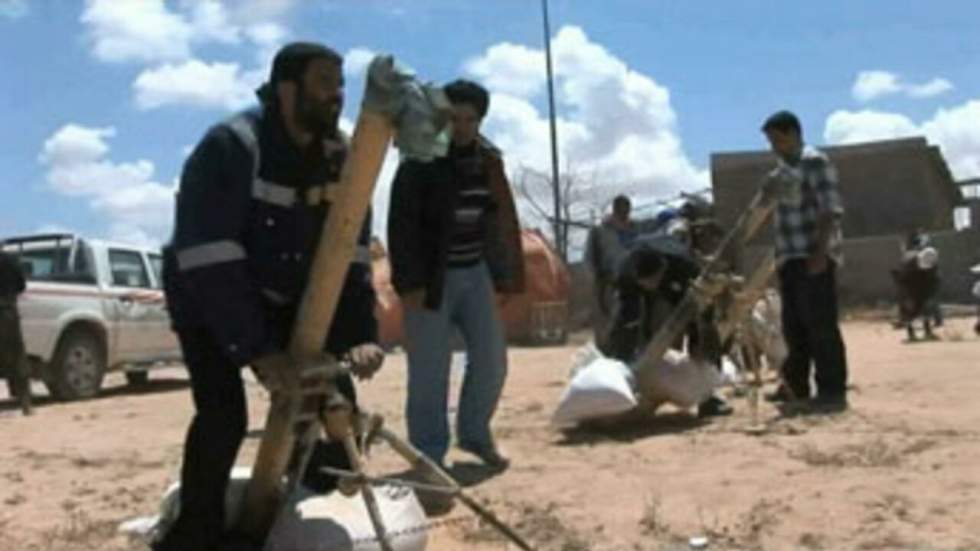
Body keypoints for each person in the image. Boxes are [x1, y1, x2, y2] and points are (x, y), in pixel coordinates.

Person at [157, 42, 385, 551]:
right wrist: (258, 351)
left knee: (334, 404)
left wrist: (360, 337)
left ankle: (303, 493)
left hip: (282, 295)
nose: (338, 96)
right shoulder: (231, 146)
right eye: (326, 83)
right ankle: (195, 536)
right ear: (287, 89)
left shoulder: (341, 158)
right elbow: (210, 257)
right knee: (223, 415)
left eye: (341, 85)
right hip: (207, 297)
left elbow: (348, 254)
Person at [387, 79, 525, 471]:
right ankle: (429, 453)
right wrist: (408, 284)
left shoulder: (488, 161)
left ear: (480, 121)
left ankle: (475, 435)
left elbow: (500, 221)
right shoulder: (420, 160)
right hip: (430, 276)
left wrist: (503, 278)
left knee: (491, 360)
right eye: (454, 118)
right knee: (430, 369)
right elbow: (402, 224)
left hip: (474, 271)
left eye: (469, 119)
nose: (461, 126)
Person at [761, 110, 848, 413]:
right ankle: (794, 387)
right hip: (789, 257)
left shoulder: (814, 162)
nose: (773, 146)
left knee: (820, 325)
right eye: (770, 141)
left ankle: (832, 391)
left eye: (777, 139)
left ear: (794, 134)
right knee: (793, 327)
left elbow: (829, 210)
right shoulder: (781, 170)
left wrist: (820, 253)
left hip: (812, 255)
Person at [605, 234, 733, 417]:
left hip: (679, 286)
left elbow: (704, 309)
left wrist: (700, 340)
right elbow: (625, 322)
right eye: (646, 283)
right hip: (638, 286)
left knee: (703, 331)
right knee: (627, 327)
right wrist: (622, 361)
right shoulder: (625, 274)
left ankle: (709, 397)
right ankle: (624, 391)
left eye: (653, 281)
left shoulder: (684, 267)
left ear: (663, 269)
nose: (651, 287)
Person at [584, 195, 638, 349]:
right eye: (621, 210)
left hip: (634, 283)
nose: (624, 213)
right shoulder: (599, 230)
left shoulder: (635, 229)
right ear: (614, 210)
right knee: (609, 326)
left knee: (633, 325)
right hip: (610, 284)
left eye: (627, 210)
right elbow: (589, 259)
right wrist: (595, 286)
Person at [0, 249, 32, 416]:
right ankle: (26, 403)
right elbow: (21, 285)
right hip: (8, 312)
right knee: (18, 356)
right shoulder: (10, 260)